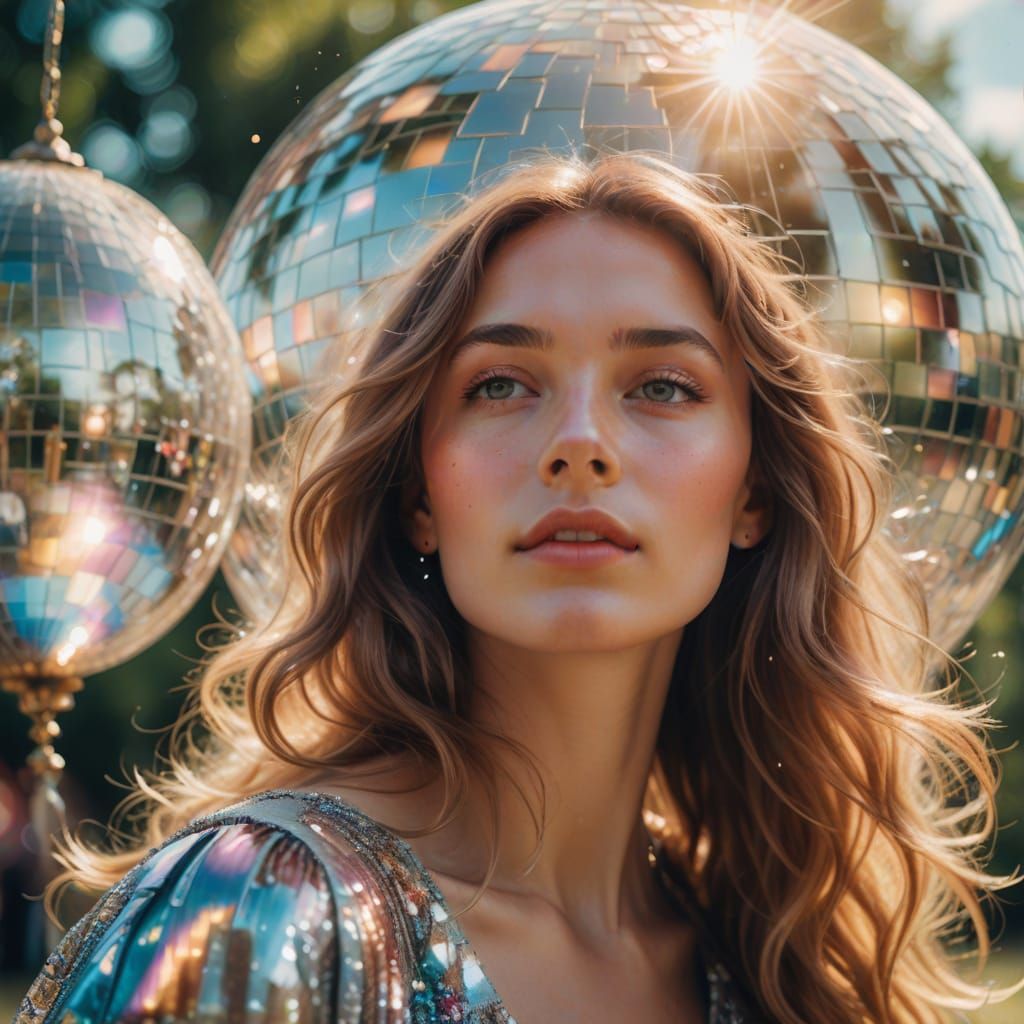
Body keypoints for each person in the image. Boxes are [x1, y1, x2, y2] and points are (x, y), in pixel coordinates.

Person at [12, 151, 1023, 1024]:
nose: (578, 443)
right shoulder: (262, 911)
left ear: (753, 491)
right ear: (417, 491)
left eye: (661, 386)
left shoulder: (775, 961)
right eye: (500, 385)